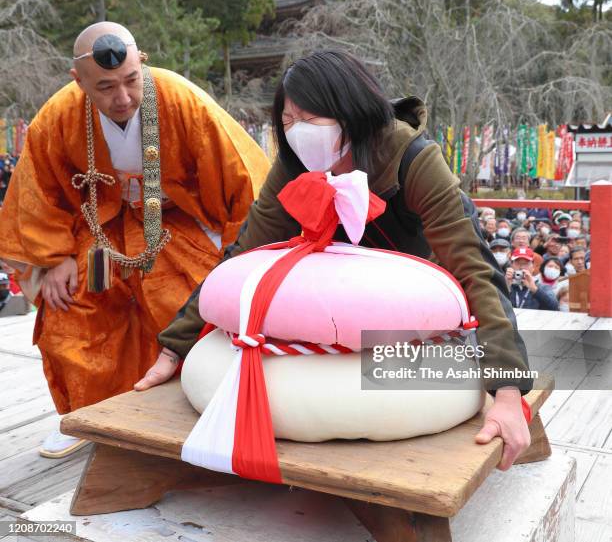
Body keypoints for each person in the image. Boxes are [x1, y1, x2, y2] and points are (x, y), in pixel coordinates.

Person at [142, 50, 535, 471]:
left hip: (415, 320)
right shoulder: (295, 165)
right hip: (331, 313)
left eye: (309, 118)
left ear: (347, 109)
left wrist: (509, 392)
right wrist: (176, 346)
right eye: (287, 122)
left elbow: (473, 266)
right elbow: (244, 252)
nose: (296, 132)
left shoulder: (411, 159)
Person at [0, 22, 270, 458]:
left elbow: (243, 179)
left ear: (141, 62)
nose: (122, 98)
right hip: (97, 227)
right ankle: (87, 413)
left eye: (130, 80)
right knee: (72, 303)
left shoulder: (182, 101)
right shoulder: (59, 115)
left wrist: (240, 261)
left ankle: (188, 409)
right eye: (105, 87)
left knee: (184, 300)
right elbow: (39, 190)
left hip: (173, 224)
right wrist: (54, 259)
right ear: (79, 81)